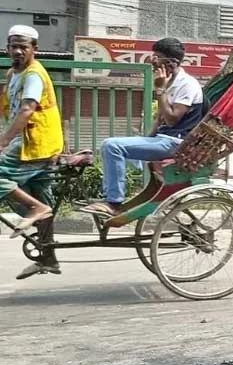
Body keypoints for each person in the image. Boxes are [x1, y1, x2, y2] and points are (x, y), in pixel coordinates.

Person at [83, 37, 204, 217]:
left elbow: (171, 119)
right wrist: (145, 141)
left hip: (177, 142)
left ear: (172, 63)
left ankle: (113, 202)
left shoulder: (187, 84)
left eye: (157, 57)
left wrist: (160, 91)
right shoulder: (169, 80)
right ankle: (117, 193)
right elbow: (159, 119)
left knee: (111, 145)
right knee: (115, 145)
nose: (153, 61)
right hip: (162, 139)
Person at [0, 25, 63, 240]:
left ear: (34, 49)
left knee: (36, 203)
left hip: (36, 144)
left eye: (23, 47)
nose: (18, 51)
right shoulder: (13, 74)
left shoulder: (34, 74)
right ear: (7, 48)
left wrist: (3, 141)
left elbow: (27, 109)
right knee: (41, 195)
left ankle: (36, 209)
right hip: (28, 143)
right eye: (13, 46)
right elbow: (8, 110)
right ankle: (48, 256)